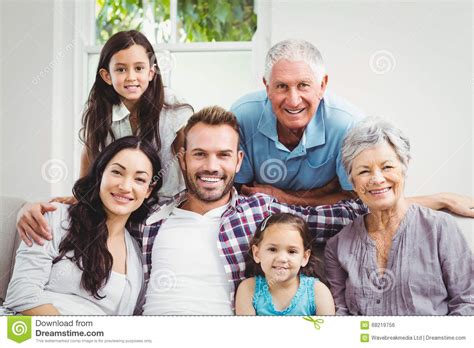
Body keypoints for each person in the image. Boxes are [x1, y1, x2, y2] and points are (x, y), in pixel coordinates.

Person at [16, 107, 472, 314]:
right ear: (182, 158)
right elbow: (113, 199)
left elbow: (359, 207)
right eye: (199, 155)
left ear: (238, 161)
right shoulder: (148, 213)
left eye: (222, 156)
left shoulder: (262, 212)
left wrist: (437, 200)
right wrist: (44, 206)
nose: (211, 166)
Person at [324, 119, 474, 315]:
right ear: (352, 181)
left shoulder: (439, 228)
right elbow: (341, 314)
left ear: (404, 168)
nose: (377, 179)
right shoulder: (337, 246)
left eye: (387, 167)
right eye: (364, 171)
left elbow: (468, 301)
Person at [4, 136, 162, 315]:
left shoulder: (136, 257)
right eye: (117, 172)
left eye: (139, 179)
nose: (125, 186)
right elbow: (21, 295)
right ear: (101, 173)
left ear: (148, 190)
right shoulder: (55, 217)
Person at [53, 30, 192, 205]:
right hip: (122, 203)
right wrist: (81, 197)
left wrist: (193, 199)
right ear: (107, 76)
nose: (131, 77)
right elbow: (89, 152)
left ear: (151, 72)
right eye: (120, 69)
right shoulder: (99, 109)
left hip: (168, 201)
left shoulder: (170, 104)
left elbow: (185, 154)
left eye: (139, 68)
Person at [231, 39, 363, 206]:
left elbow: (355, 199)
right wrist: (324, 191)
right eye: (281, 86)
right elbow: (239, 192)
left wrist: (281, 197)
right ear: (267, 86)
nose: (293, 101)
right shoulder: (242, 116)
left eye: (303, 85)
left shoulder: (349, 124)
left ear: (322, 85)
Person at [235, 213, 335, 315]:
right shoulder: (248, 289)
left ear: (305, 257)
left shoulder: (318, 292)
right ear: (256, 254)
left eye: (292, 251)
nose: (282, 259)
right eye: (272, 249)